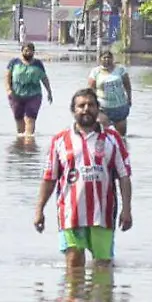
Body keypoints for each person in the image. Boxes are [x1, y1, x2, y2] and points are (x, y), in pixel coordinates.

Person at [33, 88, 133, 269]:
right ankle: (74, 297)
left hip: (103, 213)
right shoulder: (60, 140)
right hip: (70, 212)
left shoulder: (112, 139)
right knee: (73, 265)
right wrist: (39, 210)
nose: (86, 109)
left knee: (103, 266)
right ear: (73, 111)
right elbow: (49, 178)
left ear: (98, 109)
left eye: (91, 105)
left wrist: (127, 209)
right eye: (81, 106)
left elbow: (124, 176)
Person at [6, 42, 53, 138]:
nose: (28, 53)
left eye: (30, 51)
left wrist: (49, 92)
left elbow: (44, 78)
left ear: (34, 52)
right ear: (22, 51)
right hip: (16, 95)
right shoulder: (14, 62)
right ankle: (20, 142)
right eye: (26, 51)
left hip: (34, 95)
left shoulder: (38, 64)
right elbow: (7, 76)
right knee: (18, 118)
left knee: (30, 118)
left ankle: (29, 142)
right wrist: (8, 90)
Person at [87, 48, 133, 136]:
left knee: (121, 136)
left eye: (109, 57)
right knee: (103, 133)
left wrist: (129, 98)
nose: (107, 60)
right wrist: (91, 104)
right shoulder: (95, 72)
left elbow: (127, 85)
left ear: (112, 59)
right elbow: (90, 90)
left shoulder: (120, 70)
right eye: (104, 58)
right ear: (100, 59)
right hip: (102, 108)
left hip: (120, 106)